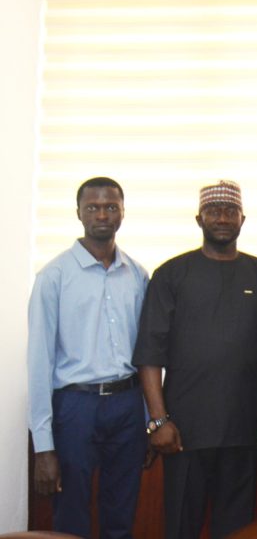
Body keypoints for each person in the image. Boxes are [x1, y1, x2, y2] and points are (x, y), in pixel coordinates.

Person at [133, 180, 257, 539]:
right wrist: (158, 421)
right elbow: (149, 355)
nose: (223, 218)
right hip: (184, 430)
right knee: (181, 526)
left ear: (243, 219)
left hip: (243, 428)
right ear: (199, 219)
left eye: (231, 211)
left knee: (238, 529)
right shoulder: (171, 274)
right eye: (214, 211)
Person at [27, 177, 149, 539]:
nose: (102, 215)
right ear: (78, 213)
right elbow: (39, 362)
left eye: (111, 207)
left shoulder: (137, 275)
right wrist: (43, 446)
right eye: (93, 207)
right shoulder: (53, 276)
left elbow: (147, 353)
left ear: (123, 212)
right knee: (71, 514)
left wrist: (148, 420)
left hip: (127, 404)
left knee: (122, 513)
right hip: (75, 407)